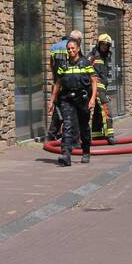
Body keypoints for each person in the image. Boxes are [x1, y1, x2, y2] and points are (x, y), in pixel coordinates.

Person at [47, 38, 97, 167]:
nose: (70, 50)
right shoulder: (63, 66)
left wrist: (92, 99)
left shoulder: (86, 63)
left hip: (83, 99)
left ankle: (86, 151)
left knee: (83, 126)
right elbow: (57, 84)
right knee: (68, 125)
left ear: (78, 49)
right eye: (68, 48)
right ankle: (66, 155)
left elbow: (94, 81)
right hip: (67, 99)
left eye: (73, 48)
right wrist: (52, 100)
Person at [45, 29, 83, 142]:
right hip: (67, 83)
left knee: (58, 108)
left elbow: (51, 65)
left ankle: (52, 135)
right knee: (69, 110)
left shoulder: (54, 47)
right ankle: (69, 137)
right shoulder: (71, 48)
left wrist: (55, 77)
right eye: (79, 40)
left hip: (57, 82)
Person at [88, 33, 116, 144]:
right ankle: (110, 134)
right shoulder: (93, 55)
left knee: (98, 111)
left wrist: (105, 91)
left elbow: (104, 76)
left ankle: (96, 134)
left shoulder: (105, 57)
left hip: (102, 88)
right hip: (95, 87)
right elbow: (85, 67)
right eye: (102, 44)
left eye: (106, 45)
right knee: (106, 107)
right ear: (99, 44)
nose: (104, 46)